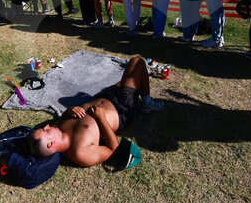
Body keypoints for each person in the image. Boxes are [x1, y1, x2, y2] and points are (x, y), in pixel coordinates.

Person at [29, 57, 165, 167]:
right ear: (51, 144)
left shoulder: (58, 128)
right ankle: (147, 103)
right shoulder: (80, 153)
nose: (46, 126)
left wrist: (69, 111)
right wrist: (101, 119)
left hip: (106, 97)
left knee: (131, 77)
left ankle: (141, 89)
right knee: (137, 62)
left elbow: (64, 117)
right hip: (122, 108)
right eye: (45, 130)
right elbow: (114, 150)